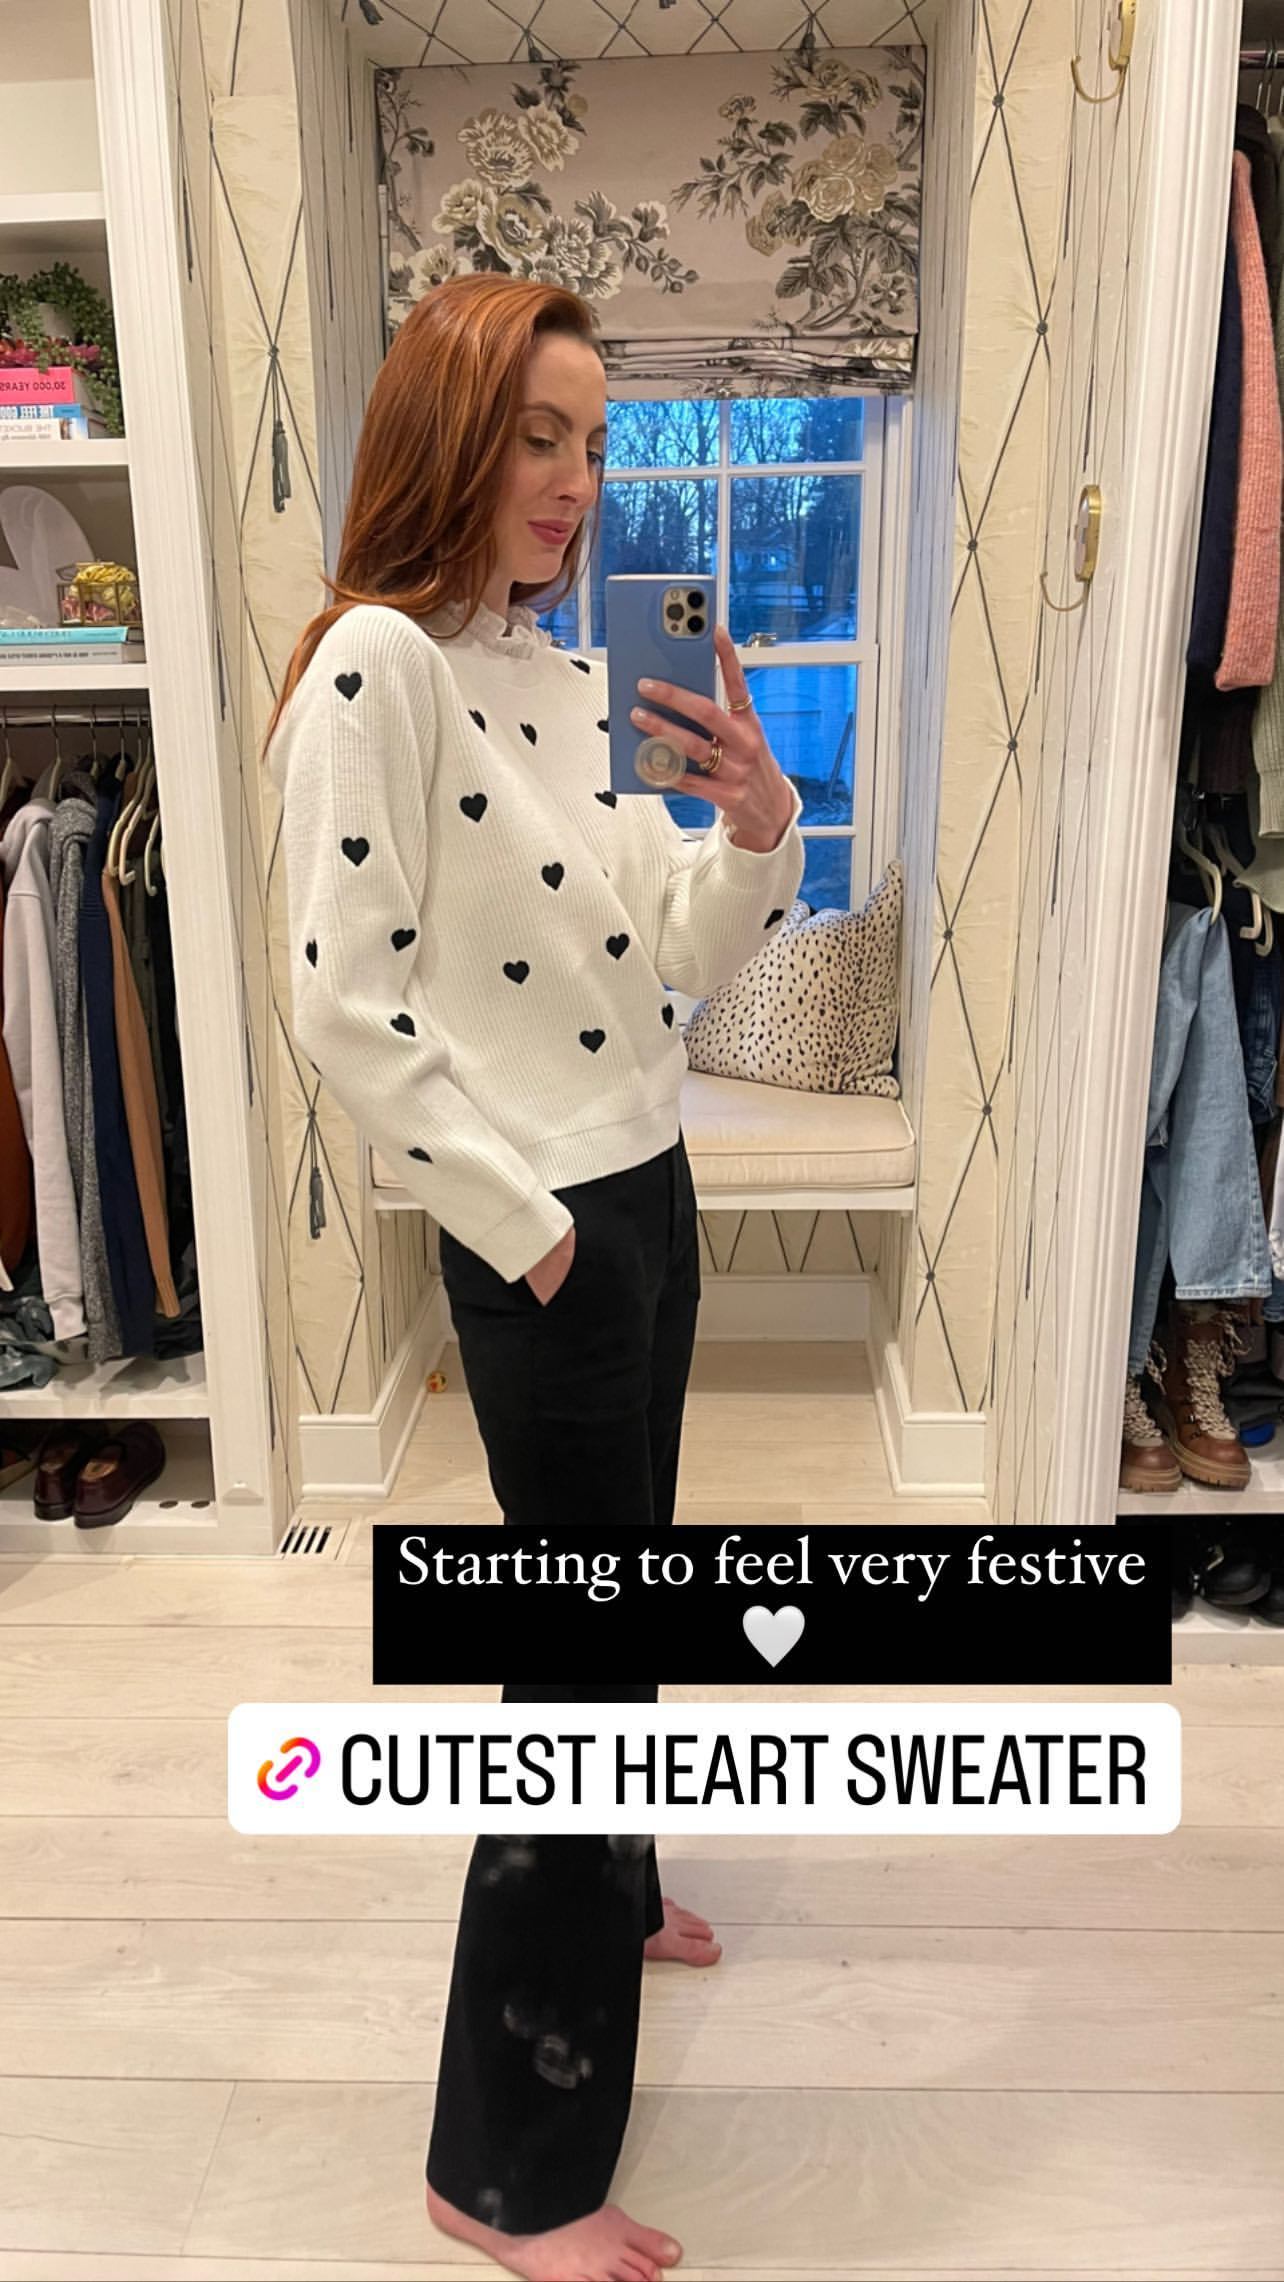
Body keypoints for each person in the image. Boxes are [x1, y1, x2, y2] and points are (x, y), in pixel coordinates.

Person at [265, 273, 805, 2282]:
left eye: (594, 439)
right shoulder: (377, 668)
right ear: (449, 435)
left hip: (649, 1178)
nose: (575, 479)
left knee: (625, 1591)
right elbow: (343, 1003)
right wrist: (532, 1223)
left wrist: (757, 824)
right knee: (569, 1669)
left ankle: (620, 1883)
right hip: (551, 1228)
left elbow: (671, 945)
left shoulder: (560, 672)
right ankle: (502, 2169)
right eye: (537, 435)